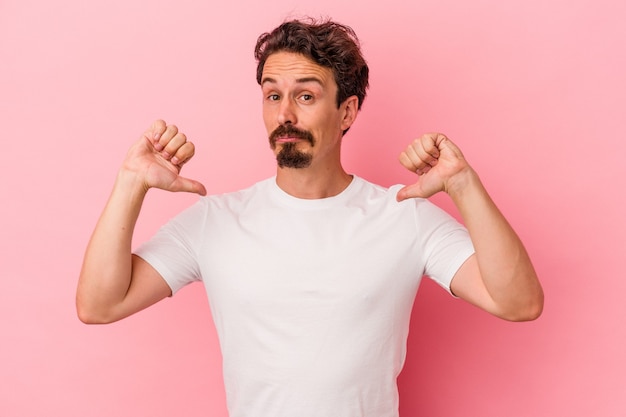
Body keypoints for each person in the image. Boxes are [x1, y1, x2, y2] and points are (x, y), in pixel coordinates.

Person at [77, 18, 543, 417]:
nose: (284, 115)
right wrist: (129, 183)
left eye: (305, 97)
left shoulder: (405, 215)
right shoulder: (213, 220)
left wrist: (462, 184)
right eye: (272, 95)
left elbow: (519, 303)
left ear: (347, 112)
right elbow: (99, 305)